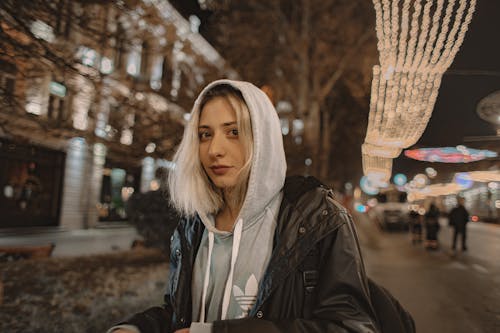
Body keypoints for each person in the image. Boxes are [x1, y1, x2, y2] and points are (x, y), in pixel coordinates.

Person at [109, 80, 412, 333]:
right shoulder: (194, 225)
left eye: (234, 132)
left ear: (263, 137)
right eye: (205, 135)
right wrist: (137, 328)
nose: (215, 149)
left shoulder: (316, 220)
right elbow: (183, 317)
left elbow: (351, 327)